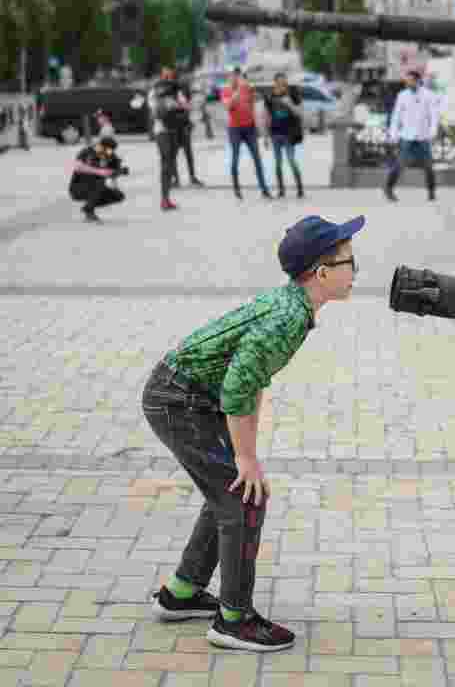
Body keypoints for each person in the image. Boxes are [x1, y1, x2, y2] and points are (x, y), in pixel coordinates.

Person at [143, 213, 365, 651]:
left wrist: (244, 453)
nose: (356, 271)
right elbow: (239, 386)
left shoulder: (293, 307)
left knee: (233, 490)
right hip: (176, 400)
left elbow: (251, 378)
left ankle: (182, 593)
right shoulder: (286, 317)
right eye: (350, 262)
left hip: (191, 398)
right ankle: (234, 620)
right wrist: (246, 458)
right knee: (244, 497)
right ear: (322, 273)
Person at [383, 70, 439, 202]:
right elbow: (396, 116)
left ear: (417, 80)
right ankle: (388, 188)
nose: (407, 82)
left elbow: (434, 115)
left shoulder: (429, 95)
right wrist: (393, 134)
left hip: (423, 136)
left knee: (428, 166)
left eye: (410, 80)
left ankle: (431, 192)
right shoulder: (402, 95)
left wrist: (433, 131)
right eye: (406, 80)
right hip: (407, 136)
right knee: (399, 164)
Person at [221, 67, 272, 200]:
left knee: (257, 159)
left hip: (250, 128)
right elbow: (228, 106)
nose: (237, 78)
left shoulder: (248, 88)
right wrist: (238, 90)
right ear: (230, 77)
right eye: (234, 76)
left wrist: (263, 132)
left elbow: (259, 106)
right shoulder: (226, 90)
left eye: (239, 76)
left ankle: (264, 189)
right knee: (235, 159)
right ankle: (236, 188)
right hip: (235, 129)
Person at [149, 66, 191, 211]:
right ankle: (164, 200)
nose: (168, 78)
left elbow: (186, 106)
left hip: (174, 129)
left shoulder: (176, 91)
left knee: (170, 163)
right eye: (165, 75)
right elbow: (155, 112)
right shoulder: (154, 91)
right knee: (166, 163)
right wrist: (166, 106)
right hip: (162, 131)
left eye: (170, 75)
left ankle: (166, 198)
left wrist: (177, 105)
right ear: (161, 76)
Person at [262, 73, 304, 199]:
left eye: (283, 83)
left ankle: (300, 188)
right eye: (279, 82)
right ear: (275, 83)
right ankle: (281, 190)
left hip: (289, 133)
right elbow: (267, 116)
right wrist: (265, 136)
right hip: (275, 133)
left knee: (291, 161)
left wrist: (290, 104)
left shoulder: (292, 94)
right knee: (278, 163)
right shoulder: (269, 96)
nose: (281, 85)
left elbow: (300, 113)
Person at [69, 135, 126, 223]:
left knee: (118, 195)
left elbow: (113, 173)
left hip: (97, 187)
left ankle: (88, 207)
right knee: (98, 182)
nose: (109, 152)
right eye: (107, 149)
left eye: (111, 150)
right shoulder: (88, 152)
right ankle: (89, 212)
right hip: (78, 187)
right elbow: (78, 166)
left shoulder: (110, 155)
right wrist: (99, 171)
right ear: (100, 146)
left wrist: (116, 174)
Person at [171, 76, 205, 189]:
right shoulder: (175, 95)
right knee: (176, 154)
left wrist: (191, 122)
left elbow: (191, 109)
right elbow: (186, 108)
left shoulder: (184, 95)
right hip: (177, 127)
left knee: (187, 153)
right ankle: (177, 179)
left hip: (184, 126)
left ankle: (190, 177)